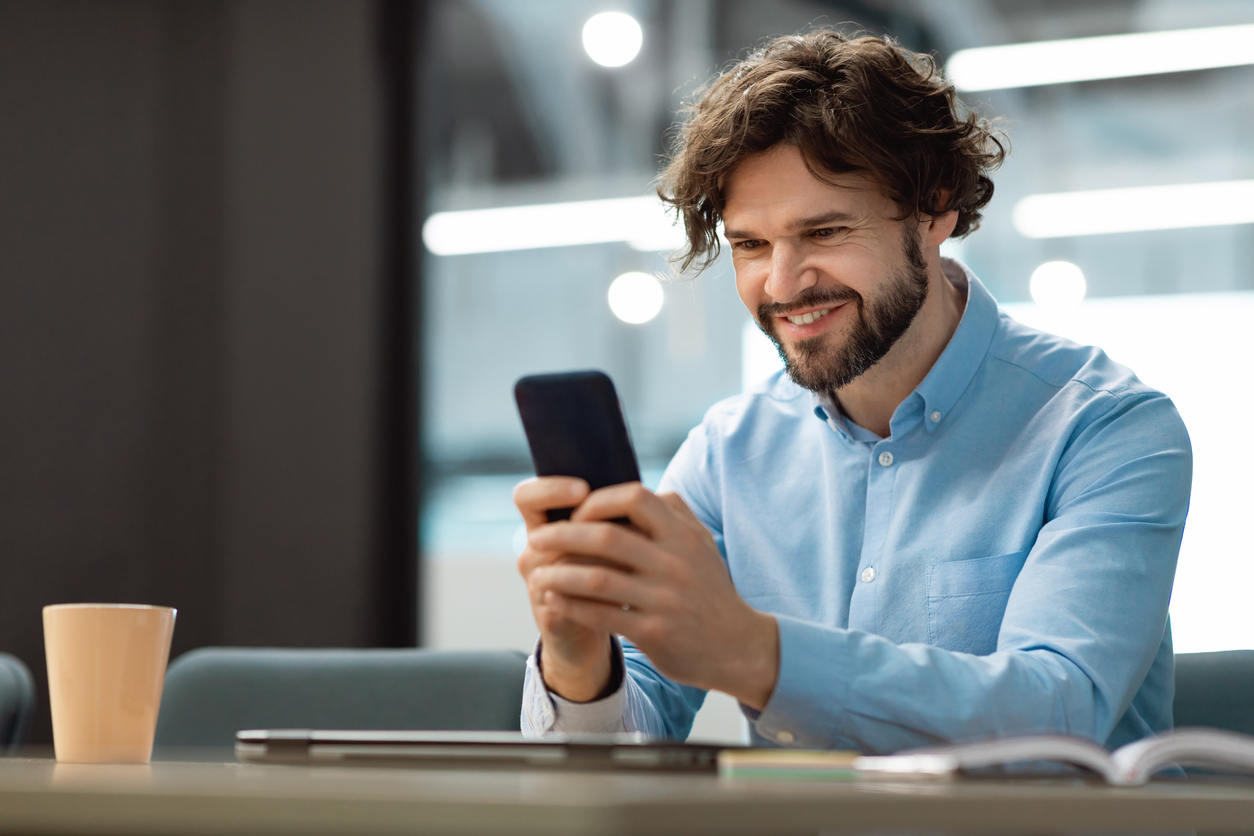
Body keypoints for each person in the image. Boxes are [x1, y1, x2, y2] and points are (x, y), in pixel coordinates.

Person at [514, 30, 1191, 753]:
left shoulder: (1108, 427)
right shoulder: (726, 454)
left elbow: (1059, 717)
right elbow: (620, 749)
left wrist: (754, 652)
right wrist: (581, 661)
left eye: (825, 230)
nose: (781, 285)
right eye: (750, 245)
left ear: (935, 210)